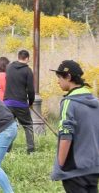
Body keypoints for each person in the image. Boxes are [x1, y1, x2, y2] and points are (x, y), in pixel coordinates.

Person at [50, 60, 99, 192]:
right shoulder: (96, 102)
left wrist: (59, 166)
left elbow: (66, 136)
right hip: (93, 168)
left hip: (74, 171)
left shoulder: (68, 102)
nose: (58, 81)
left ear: (68, 77)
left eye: (59, 77)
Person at [3, 49, 35, 154]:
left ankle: (6, 149)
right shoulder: (28, 71)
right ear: (27, 58)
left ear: (18, 57)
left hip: (7, 102)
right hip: (20, 102)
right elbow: (31, 89)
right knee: (28, 125)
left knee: (9, 126)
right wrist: (30, 102)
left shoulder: (9, 68)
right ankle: (30, 149)